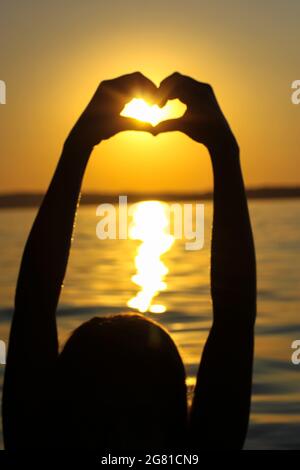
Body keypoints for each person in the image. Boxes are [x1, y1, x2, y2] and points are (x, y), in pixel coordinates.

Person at [2, 72, 256, 450]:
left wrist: (77, 148)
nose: (120, 437)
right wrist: (224, 152)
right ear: (179, 416)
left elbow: (33, 309)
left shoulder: (41, 444)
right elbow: (234, 321)